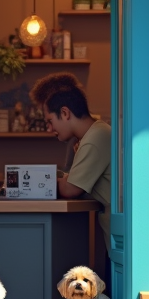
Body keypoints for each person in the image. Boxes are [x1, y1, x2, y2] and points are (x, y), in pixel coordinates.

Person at [43, 85, 112, 279]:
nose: (50, 129)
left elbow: (70, 189)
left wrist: (35, 182)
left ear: (65, 113)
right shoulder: (96, 134)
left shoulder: (94, 138)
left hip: (122, 237)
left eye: (50, 121)